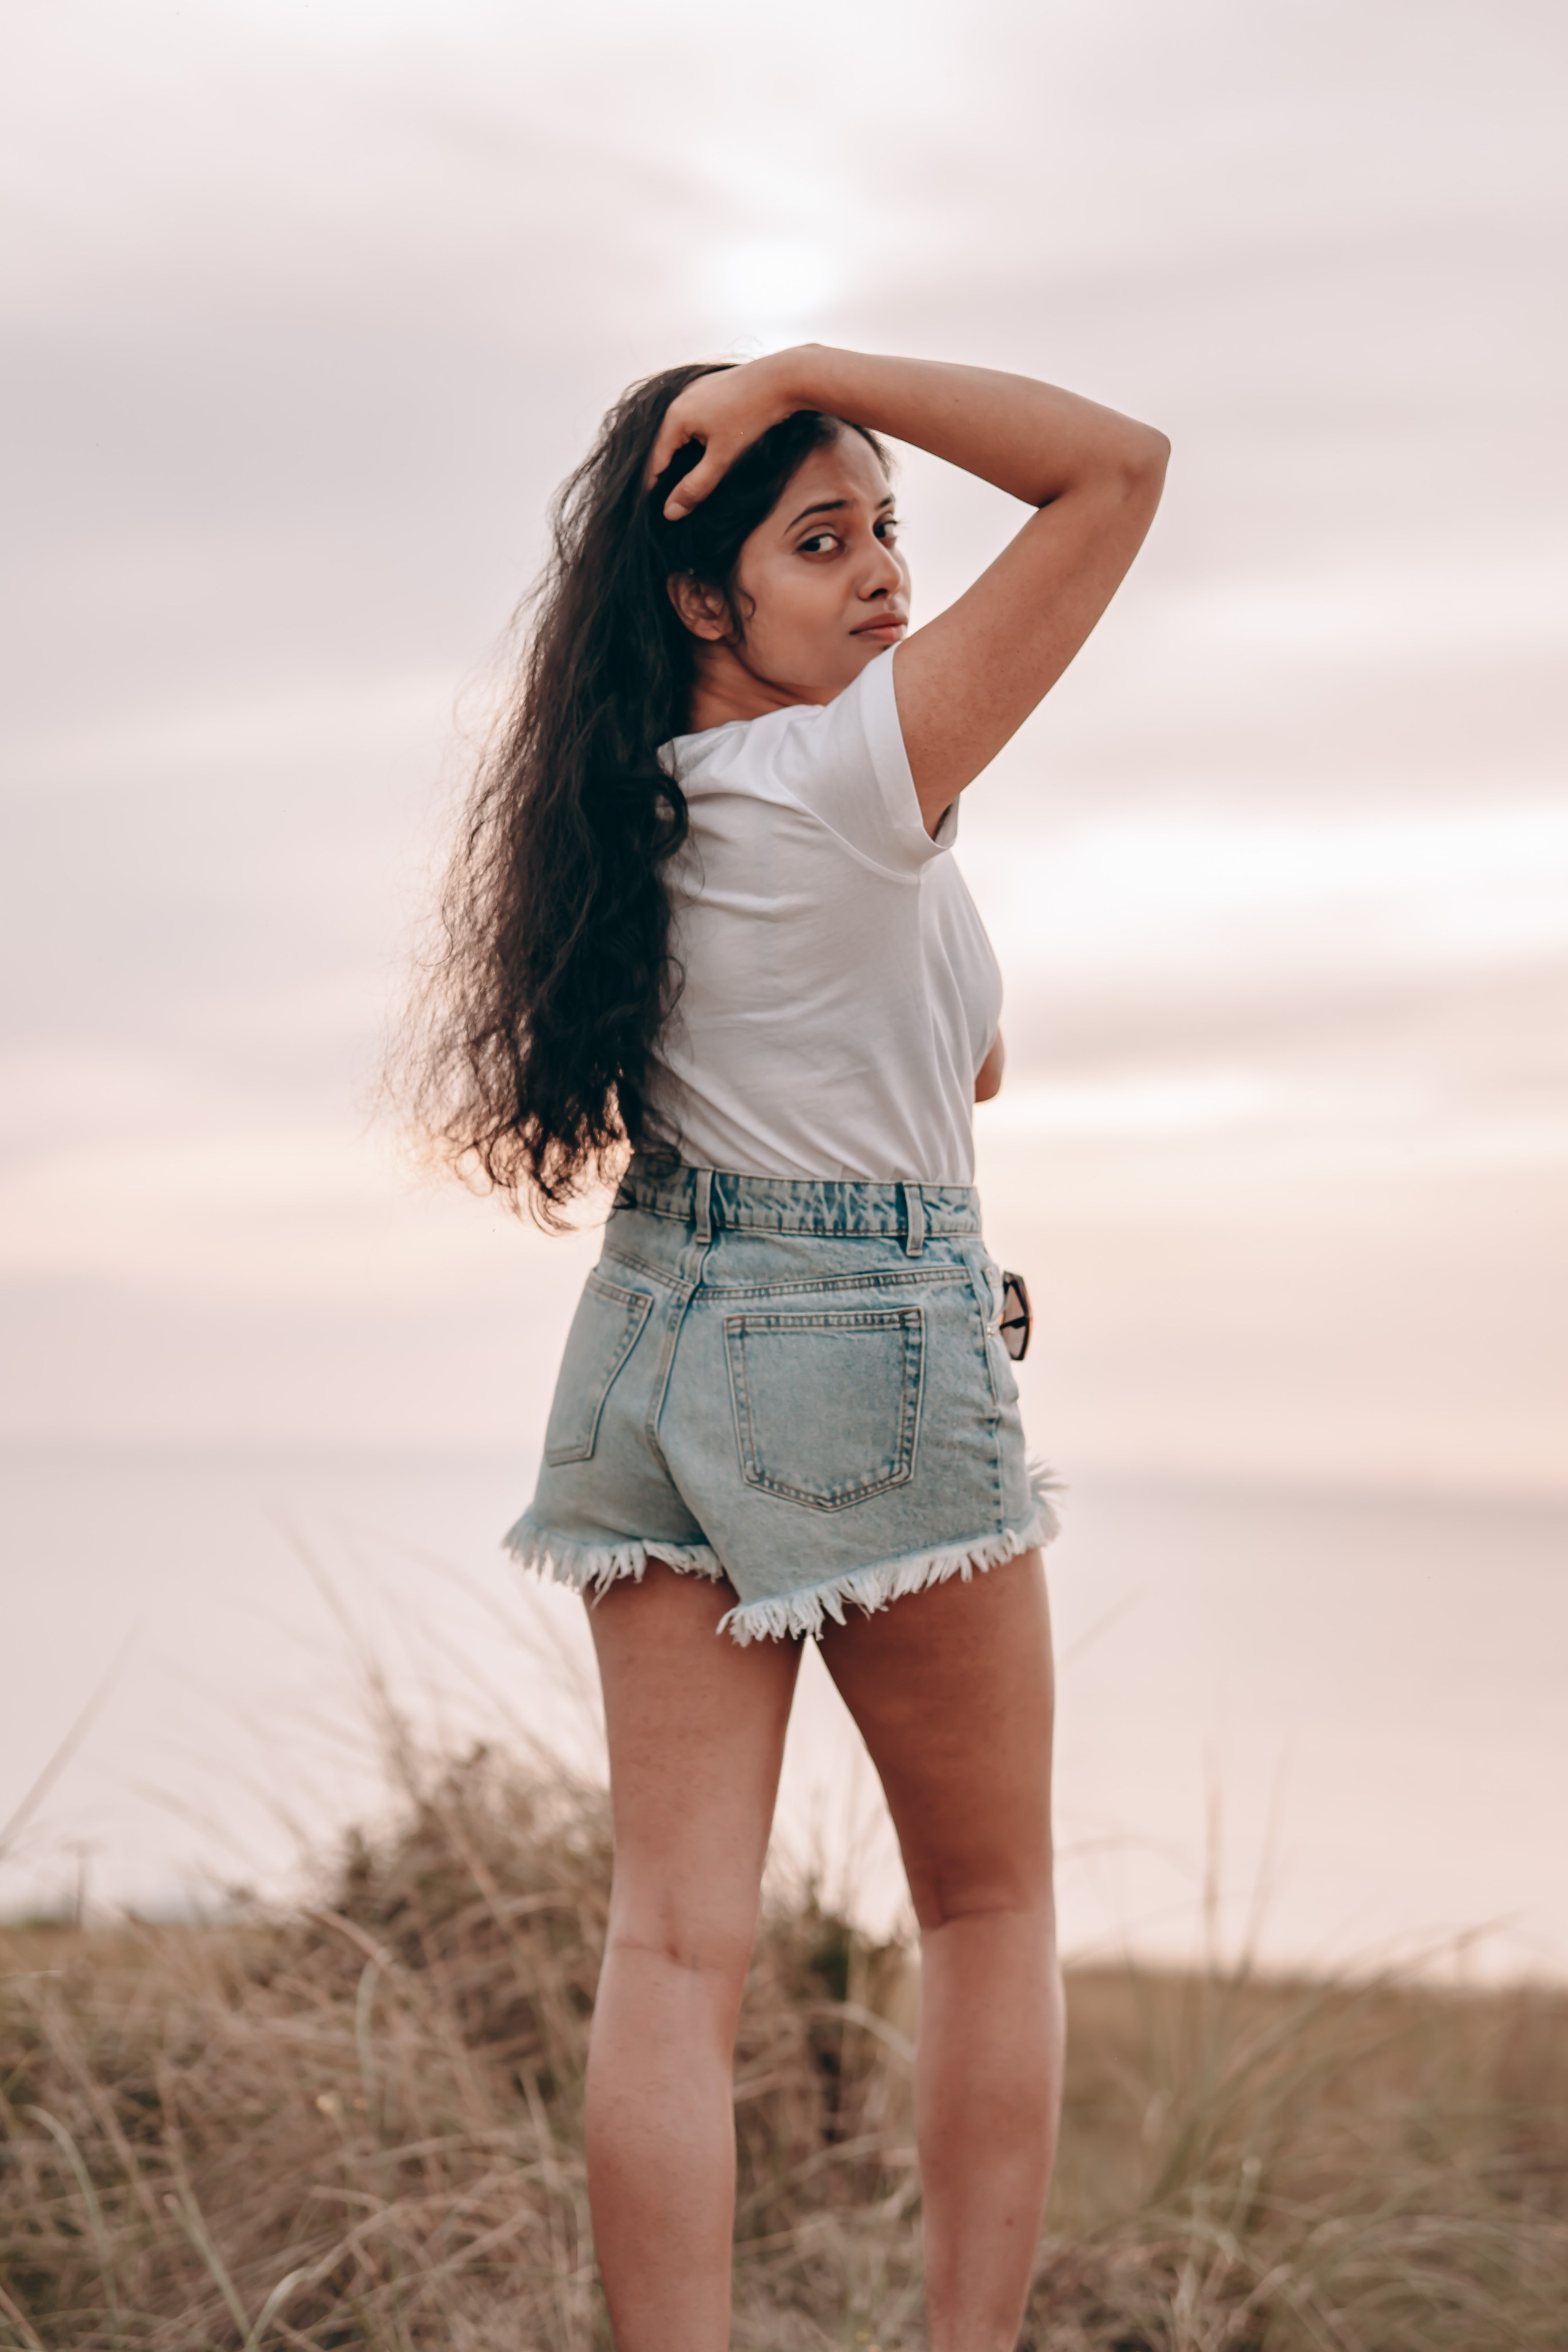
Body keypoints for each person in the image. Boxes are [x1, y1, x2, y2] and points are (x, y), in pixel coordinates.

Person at [414, 346, 1167, 2352]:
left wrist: (905, 796)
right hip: (864, 1333)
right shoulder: (842, 783)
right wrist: (822, 362)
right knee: (987, 1912)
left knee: (669, 1947)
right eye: (821, 541)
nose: (891, 576)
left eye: (893, 530)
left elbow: (959, 1048)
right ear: (699, 600)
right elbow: (1117, 473)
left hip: (656, 1322)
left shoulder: (654, 800)